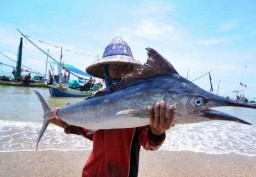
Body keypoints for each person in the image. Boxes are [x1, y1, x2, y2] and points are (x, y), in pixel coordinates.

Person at [48, 37, 174, 177]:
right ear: (105, 70)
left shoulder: (141, 100)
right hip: (92, 172)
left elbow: (148, 143)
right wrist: (66, 125)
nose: (122, 71)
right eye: (115, 66)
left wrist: (157, 133)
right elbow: (92, 131)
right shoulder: (97, 97)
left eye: (127, 67)